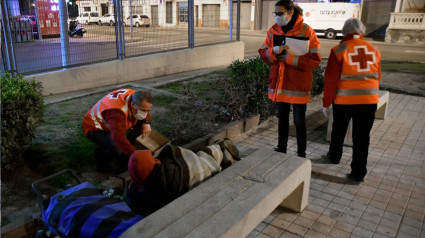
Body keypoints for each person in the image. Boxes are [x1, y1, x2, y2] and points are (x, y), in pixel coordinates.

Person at [258, 0, 321, 158]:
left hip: (298, 85)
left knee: (299, 122)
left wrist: (288, 58)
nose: (278, 17)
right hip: (281, 84)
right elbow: (263, 53)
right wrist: (274, 50)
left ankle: (301, 154)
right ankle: (282, 149)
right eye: (276, 14)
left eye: (280, 13)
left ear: (290, 12)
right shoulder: (273, 30)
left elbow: (315, 59)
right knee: (282, 120)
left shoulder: (307, 31)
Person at [322, 18, 381, 183]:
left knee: (338, 130)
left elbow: (331, 80)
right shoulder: (374, 50)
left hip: (344, 101)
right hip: (369, 100)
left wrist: (326, 103)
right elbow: (378, 76)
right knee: (362, 137)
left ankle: (334, 156)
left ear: (344, 31)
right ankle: (359, 172)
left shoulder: (339, 50)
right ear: (361, 31)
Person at [125, 139, 240, 216]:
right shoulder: (171, 174)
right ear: (155, 163)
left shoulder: (143, 197)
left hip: (183, 211)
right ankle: (224, 147)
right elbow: (195, 164)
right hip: (205, 198)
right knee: (207, 152)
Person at [82, 89, 153, 173]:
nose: (145, 113)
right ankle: (102, 165)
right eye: (143, 111)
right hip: (95, 126)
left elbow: (144, 109)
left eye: (148, 110)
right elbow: (118, 137)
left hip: (112, 121)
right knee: (112, 145)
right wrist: (135, 156)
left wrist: (146, 122)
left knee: (142, 126)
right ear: (133, 104)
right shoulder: (116, 113)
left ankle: (127, 147)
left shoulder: (136, 96)